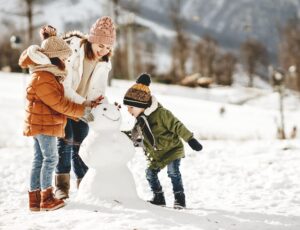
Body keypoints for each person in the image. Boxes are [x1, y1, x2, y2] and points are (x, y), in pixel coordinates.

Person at [19, 25, 96, 211]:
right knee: (50, 159)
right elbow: (59, 103)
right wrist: (81, 111)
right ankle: (46, 198)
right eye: (63, 57)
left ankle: (35, 201)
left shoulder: (47, 74)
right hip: (44, 124)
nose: (65, 60)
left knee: (39, 159)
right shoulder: (43, 77)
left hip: (42, 122)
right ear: (54, 57)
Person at [54, 16, 116, 200]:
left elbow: (99, 91)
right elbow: (65, 86)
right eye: (101, 45)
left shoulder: (104, 63)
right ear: (92, 40)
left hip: (83, 107)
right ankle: (62, 186)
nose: (103, 50)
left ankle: (85, 184)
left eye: (108, 47)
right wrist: (84, 102)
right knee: (65, 142)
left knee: (81, 144)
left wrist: (105, 106)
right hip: (65, 103)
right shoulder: (73, 51)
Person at [123, 73, 203, 209]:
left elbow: (177, 125)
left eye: (131, 107)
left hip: (172, 150)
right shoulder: (141, 120)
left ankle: (179, 199)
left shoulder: (162, 114)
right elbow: (134, 136)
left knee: (173, 173)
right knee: (150, 173)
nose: (128, 110)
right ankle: (159, 197)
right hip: (157, 154)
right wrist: (117, 135)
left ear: (141, 104)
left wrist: (190, 139)